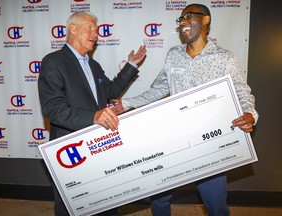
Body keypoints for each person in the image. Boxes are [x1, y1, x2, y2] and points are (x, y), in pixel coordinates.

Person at [114, 3, 258, 216]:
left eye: (189, 16)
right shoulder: (174, 55)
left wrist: (250, 114)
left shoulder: (224, 58)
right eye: (180, 18)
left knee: (216, 205)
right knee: (159, 197)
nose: (182, 21)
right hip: (175, 139)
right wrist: (126, 103)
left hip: (210, 142)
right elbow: (159, 88)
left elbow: (242, 91)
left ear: (206, 20)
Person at [37, 11, 146, 216]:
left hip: (99, 147)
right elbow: (53, 109)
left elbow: (111, 91)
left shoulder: (93, 65)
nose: (96, 34)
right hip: (71, 152)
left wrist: (131, 65)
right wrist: (92, 117)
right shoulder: (53, 61)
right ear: (73, 29)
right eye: (90, 28)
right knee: (73, 207)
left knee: (105, 202)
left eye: (96, 30)